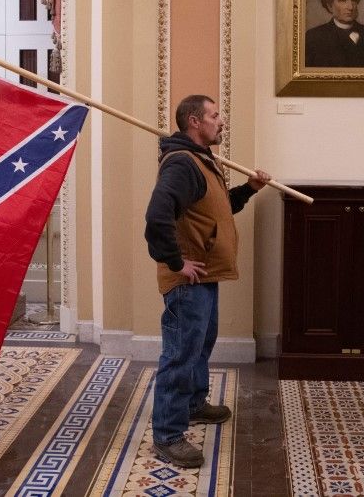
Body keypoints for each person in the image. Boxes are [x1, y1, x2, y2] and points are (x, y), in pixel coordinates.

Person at [144, 94, 271, 468]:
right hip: (188, 281)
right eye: (215, 115)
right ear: (195, 122)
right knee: (180, 354)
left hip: (206, 275)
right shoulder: (182, 164)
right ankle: (167, 435)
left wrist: (249, 189)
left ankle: (195, 404)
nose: (222, 121)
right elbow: (157, 216)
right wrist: (175, 261)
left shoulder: (203, 161)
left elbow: (216, 209)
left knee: (200, 346)